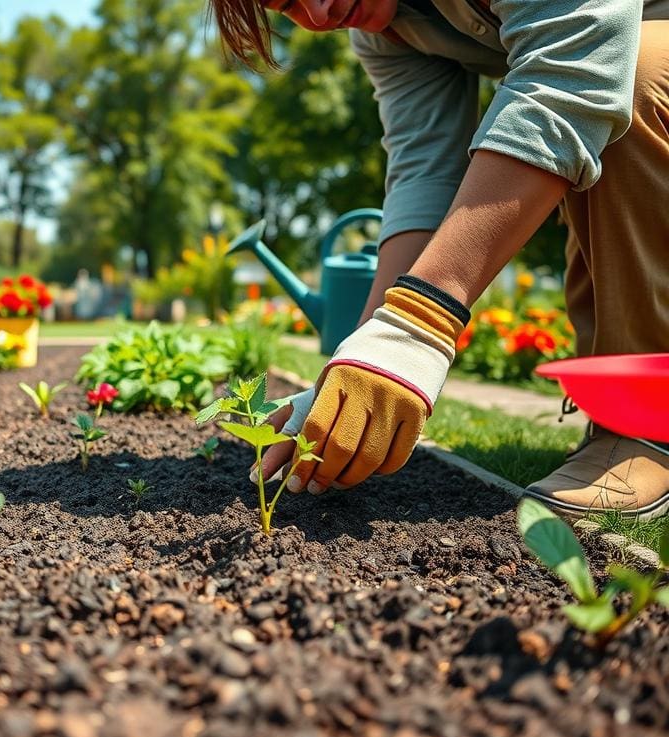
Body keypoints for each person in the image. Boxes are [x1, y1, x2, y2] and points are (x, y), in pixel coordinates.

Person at [210, 0, 669, 520]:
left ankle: (647, 424)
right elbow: (425, 175)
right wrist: (364, 354)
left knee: (632, 73)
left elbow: (576, 70)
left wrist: (422, 320)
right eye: (287, 6)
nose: (318, 16)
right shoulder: (386, 30)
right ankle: (619, 405)